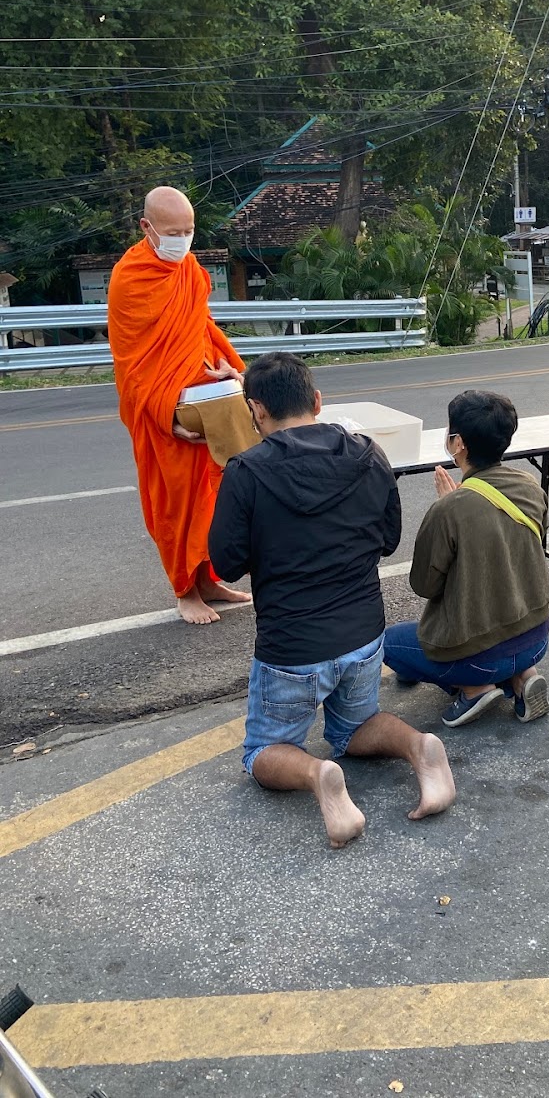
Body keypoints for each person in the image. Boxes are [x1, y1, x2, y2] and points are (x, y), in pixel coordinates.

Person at [208, 352, 455, 847]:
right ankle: (418, 745)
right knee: (355, 727)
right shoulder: (369, 453)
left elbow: (227, 563)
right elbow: (387, 539)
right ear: (317, 401)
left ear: (255, 411)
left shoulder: (246, 470)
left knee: (262, 751)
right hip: (365, 635)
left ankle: (317, 776)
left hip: (292, 648)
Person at [108, 186, 252, 625]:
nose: (183, 239)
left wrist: (230, 366)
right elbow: (131, 365)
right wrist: (163, 413)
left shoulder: (188, 269)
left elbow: (201, 328)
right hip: (163, 414)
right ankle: (184, 590)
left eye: (189, 230)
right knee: (175, 504)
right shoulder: (130, 279)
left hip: (203, 401)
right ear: (146, 228)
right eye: (173, 231)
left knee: (214, 498)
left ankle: (209, 580)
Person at [383, 390, 549, 728]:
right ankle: (522, 677)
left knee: (386, 644)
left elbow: (424, 584)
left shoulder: (449, 508)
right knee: (503, 630)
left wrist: (451, 508)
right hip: (537, 639)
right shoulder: (531, 485)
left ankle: (475, 688)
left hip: (478, 657)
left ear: (457, 443)